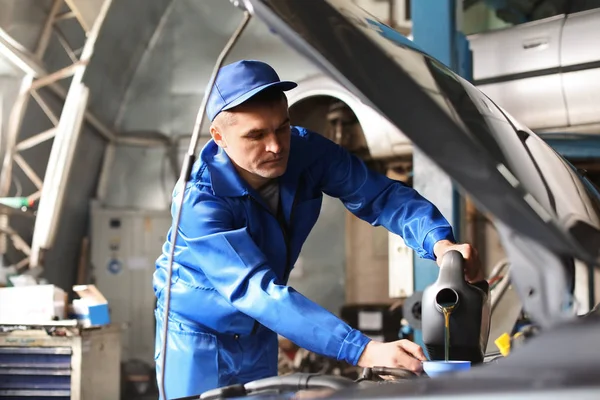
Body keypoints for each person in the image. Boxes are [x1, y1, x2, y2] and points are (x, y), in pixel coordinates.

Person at [153, 59, 481, 398]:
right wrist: (363, 350)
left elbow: (381, 198)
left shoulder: (306, 151)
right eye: (256, 135)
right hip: (197, 338)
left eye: (281, 127)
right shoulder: (198, 201)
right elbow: (255, 290)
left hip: (260, 328)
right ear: (219, 136)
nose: (276, 146)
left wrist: (440, 243)